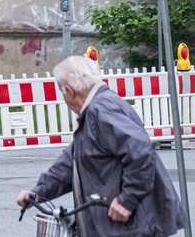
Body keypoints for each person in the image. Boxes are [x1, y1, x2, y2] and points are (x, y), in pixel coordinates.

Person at [16, 55, 184, 236]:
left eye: (61, 92)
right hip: (118, 225)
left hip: (129, 226)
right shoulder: (95, 111)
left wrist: (127, 199)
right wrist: (38, 192)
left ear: (69, 91)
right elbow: (71, 162)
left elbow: (140, 150)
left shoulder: (101, 110)